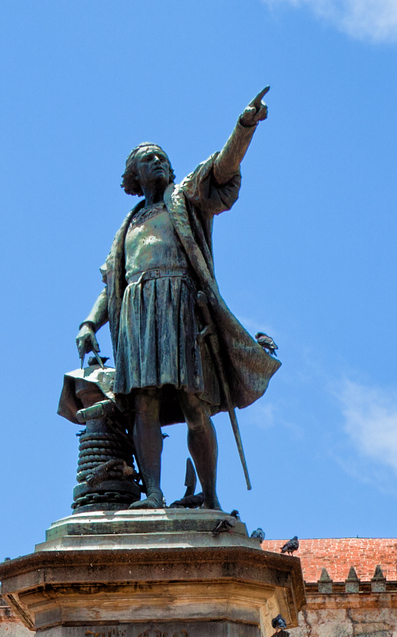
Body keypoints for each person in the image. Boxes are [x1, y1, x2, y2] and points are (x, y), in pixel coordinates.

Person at [75, 90, 281, 511]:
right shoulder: (127, 227)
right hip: (135, 311)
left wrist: (243, 128)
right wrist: (89, 324)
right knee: (144, 404)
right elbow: (111, 284)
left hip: (180, 306)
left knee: (194, 403)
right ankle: (152, 492)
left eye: (162, 157)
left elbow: (222, 168)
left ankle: (209, 495)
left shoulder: (184, 199)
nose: (159, 162)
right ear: (133, 175)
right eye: (148, 158)